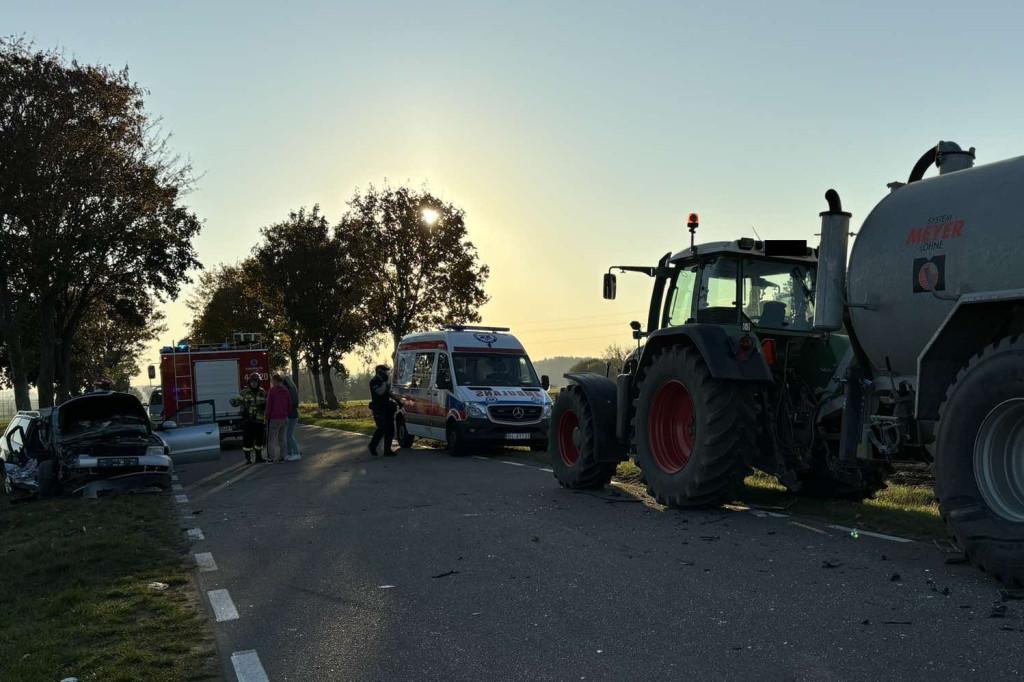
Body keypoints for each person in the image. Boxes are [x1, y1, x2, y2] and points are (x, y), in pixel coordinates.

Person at [230, 375, 267, 464]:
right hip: (248, 421)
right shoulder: (244, 392)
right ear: (249, 382)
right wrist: (233, 402)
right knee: (247, 440)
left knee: (259, 440)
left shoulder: (263, 392)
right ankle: (248, 459)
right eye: (251, 382)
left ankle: (259, 457)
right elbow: (235, 402)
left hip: (260, 421)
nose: (253, 383)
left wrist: (265, 406)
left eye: (255, 382)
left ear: (258, 382)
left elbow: (269, 404)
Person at [368, 365, 398, 457]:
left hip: (387, 408)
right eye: (384, 371)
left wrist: (399, 401)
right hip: (378, 409)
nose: (386, 373)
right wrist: (384, 383)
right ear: (379, 372)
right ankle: (372, 445)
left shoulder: (384, 382)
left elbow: (388, 393)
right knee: (382, 428)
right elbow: (380, 392)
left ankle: (387, 450)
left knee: (390, 429)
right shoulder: (374, 382)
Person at [265, 374, 293, 462]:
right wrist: (287, 414)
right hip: (284, 418)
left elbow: (269, 405)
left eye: (272, 380)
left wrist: (267, 416)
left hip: (274, 418)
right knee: (282, 438)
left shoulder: (272, 391)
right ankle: (282, 456)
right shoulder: (286, 391)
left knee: (271, 439)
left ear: (276, 381)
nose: (271, 382)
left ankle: (271, 457)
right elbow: (290, 405)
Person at [281, 374, 302, 461]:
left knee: (289, 436)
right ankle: (290, 453)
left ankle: (296, 453)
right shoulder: (290, 389)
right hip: (290, 415)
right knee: (287, 436)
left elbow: (294, 403)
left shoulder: (289, 390)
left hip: (292, 415)